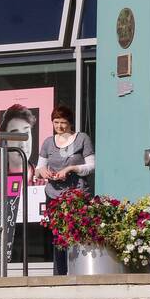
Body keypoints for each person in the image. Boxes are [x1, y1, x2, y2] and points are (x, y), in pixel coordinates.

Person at [35, 104, 94, 275]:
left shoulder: (82, 139)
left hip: (76, 193)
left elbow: (91, 166)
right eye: (56, 122)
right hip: (53, 194)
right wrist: (43, 172)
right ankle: (59, 273)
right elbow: (39, 169)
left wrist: (71, 169)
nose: (59, 127)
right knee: (57, 236)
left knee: (76, 232)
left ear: (70, 123)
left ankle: (78, 271)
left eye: (63, 123)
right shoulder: (48, 142)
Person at [0, 104, 38, 176]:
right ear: (5, 141)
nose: (23, 144)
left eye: (26, 133)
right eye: (15, 136)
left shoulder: (46, 180)